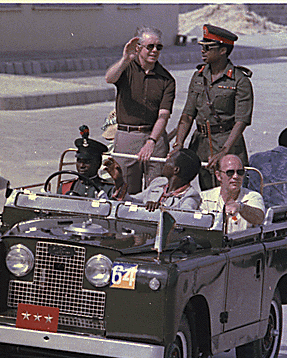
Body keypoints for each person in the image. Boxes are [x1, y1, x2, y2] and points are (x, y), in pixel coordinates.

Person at [171, 24, 253, 191]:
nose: (203, 51)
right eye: (202, 47)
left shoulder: (239, 81)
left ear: (222, 51)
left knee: (229, 192)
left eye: (208, 48)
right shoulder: (198, 76)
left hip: (226, 142)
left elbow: (241, 121)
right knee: (207, 193)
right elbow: (187, 115)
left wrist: (225, 150)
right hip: (200, 143)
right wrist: (179, 144)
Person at [105, 26, 175, 195]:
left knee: (155, 192)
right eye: (149, 46)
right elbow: (109, 78)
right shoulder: (126, 69)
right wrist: (124, 59)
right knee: (126, 190)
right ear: (138, 48)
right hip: (126, 137)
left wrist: (151, 142)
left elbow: (163, 116)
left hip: (154, 139)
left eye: (159, 47)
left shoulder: (167, 79)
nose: (154, 51)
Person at [104, 148, 202, 211]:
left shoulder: (190, 196)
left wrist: (159, 209)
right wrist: (119, 181)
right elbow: (133, 201)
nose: (165, 162)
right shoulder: (159, 183)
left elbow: (184, 218)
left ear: (176, 170)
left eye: (169, 160)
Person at [200, 154, 264, 233]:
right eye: (230, 172)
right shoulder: (204, 198)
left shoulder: (253, 197)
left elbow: (259, 218)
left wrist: (241, 207)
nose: (236, 176)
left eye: (240, 172)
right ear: (218, 176)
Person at [57, 133, 115, 199]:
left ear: (98, 164)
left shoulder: (108, 189)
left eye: (87, 162)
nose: (81, 165)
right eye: (79, 161)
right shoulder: (66, 187)